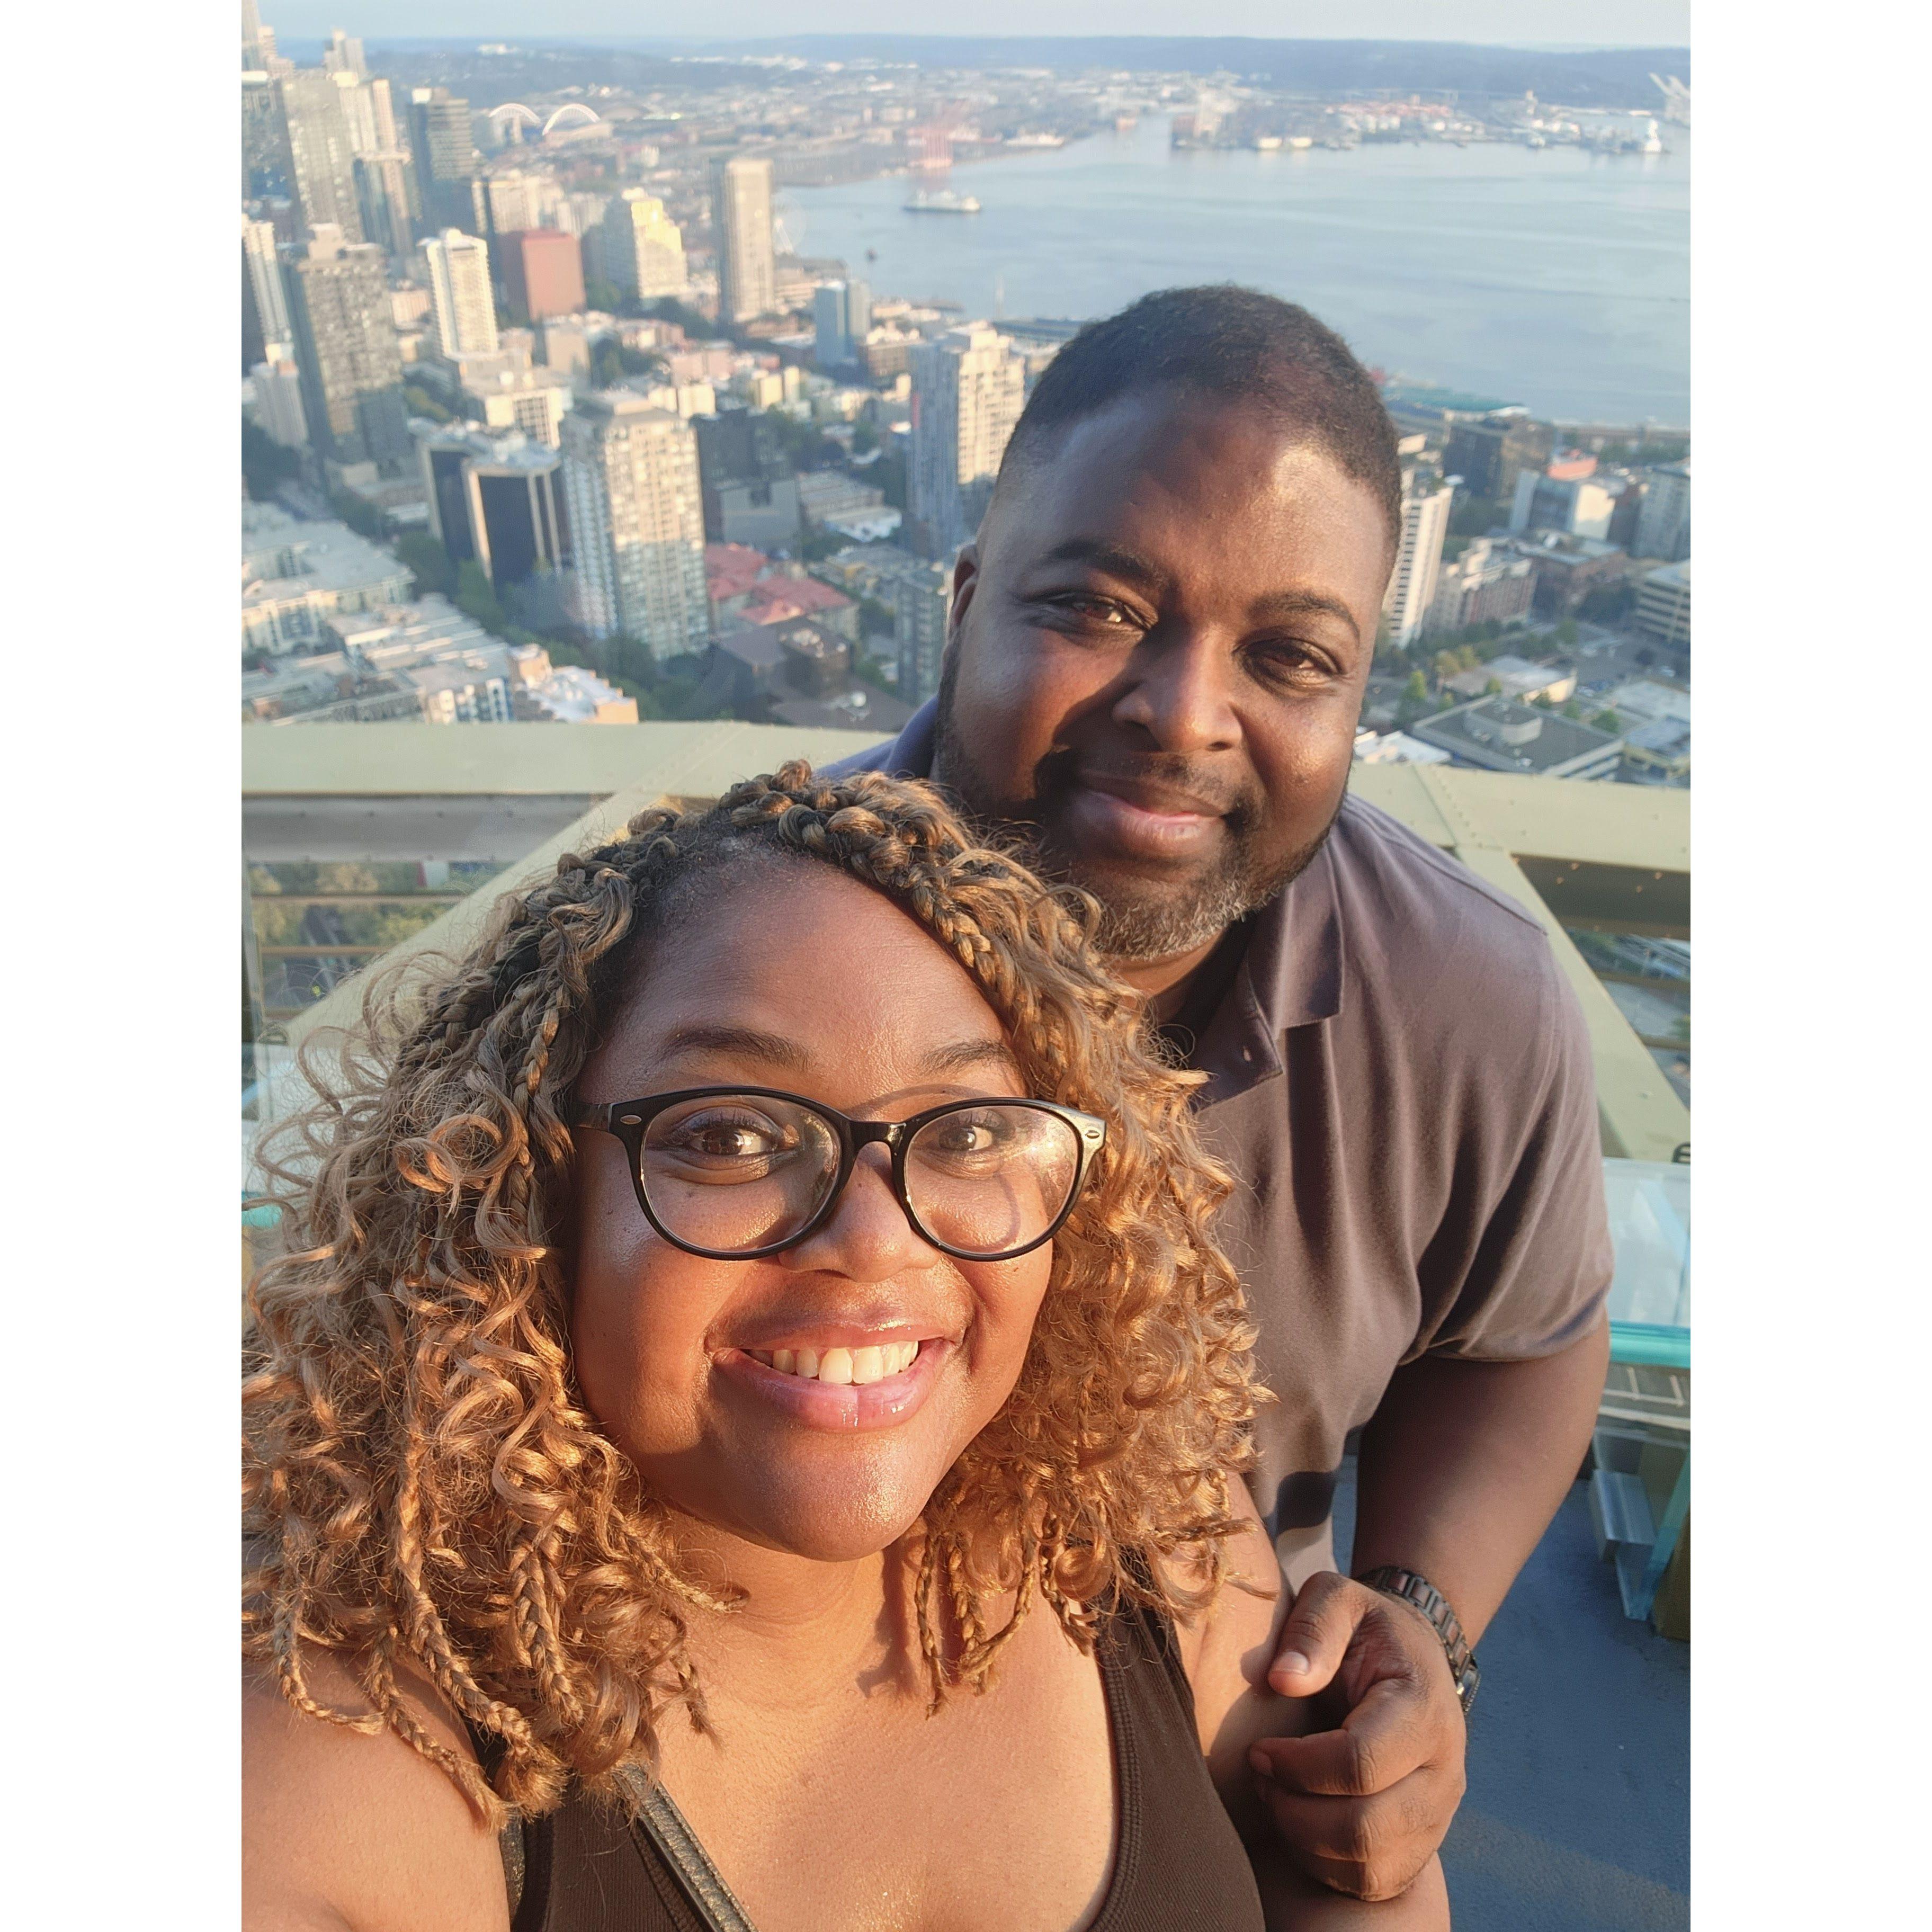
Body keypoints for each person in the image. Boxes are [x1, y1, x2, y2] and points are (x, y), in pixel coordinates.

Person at [243, 766, 1449, 1930]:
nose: (872, 1242)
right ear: (525, 1199)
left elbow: (1352, 1875)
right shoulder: (339, 1774)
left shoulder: (1149, 1530)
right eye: (728, 1135)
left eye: (969, 1130)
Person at [831, 285, 1615, 1903]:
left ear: (1355, 699)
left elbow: (1528, 1339)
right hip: (788, 1731)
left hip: (1235, 1741)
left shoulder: (1467, 1003)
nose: (1184, 714)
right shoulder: (720, 970)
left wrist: (1422, 1619)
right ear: (966, 601)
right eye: (1099, 608)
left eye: (1290, 655)